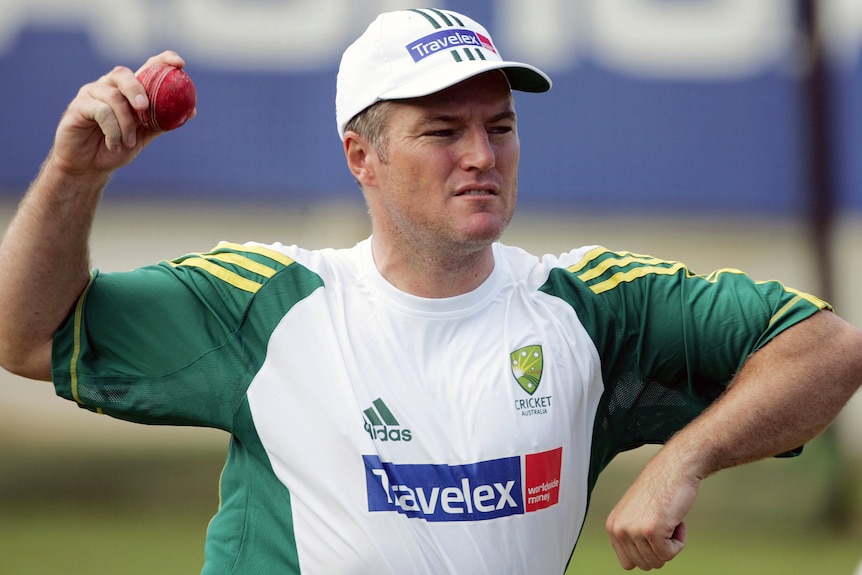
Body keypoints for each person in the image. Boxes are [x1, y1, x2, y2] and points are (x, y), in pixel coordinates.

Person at [0, 7, 860, 574]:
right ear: (360, 156)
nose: (482, 156)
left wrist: (682, 458)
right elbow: (29, 335)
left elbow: (830, 347)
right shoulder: (266, 304)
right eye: (443, 132)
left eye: (500, 127)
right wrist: (75, 174)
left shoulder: (594, 308)